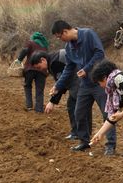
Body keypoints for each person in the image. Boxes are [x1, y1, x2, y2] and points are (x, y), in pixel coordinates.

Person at [49, 20, 116, 155]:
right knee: (79, 113)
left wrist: (86, 68)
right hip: (84, 85)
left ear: (65, 32)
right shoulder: (69, 47)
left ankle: (110, 145)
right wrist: (58, 85)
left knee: (107, 114)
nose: (60, 39)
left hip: (100, 83)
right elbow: (69, 68)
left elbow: (99, 54)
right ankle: (84, 142)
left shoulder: (88, 34)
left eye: (59, 36)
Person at [45, 49, 79, 139]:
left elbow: (61, 82)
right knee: (72, 105)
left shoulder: (54, 63)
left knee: (77, 106)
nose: (40, 69)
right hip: (76, 80)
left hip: (78, 81)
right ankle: (77, 133)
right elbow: (60, 82)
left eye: (38, 66)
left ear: (42, 60)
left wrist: (52, 102)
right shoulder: (53, 58)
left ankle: (81, 134)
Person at [13, 32, 49, 112]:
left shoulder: (30, 43)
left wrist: (19, 60)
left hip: (30, 69)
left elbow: (24, 51)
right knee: (39, 89)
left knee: (27, 86)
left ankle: (29, 106)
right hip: (42, 70)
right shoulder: (45, 46)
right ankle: (39, 109)